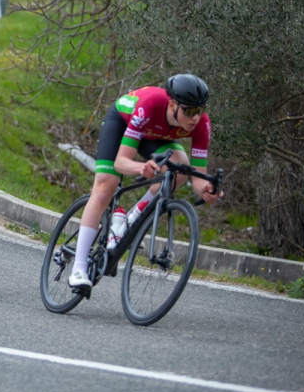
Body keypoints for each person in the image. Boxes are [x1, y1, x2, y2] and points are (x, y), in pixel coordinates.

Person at [66, 74, 221, 294]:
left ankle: (131, 218)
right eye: (189, 111)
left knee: (180, 168)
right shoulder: (148, 106)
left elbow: (197, 176)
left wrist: (205, 189)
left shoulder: (201, 125)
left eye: (200, 110)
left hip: (156, 134)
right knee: (105, 188)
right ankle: (79, 269)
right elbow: (121, 162)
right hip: (123, 123)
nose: (195, 117)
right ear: (172, 104)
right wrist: (141, 168)